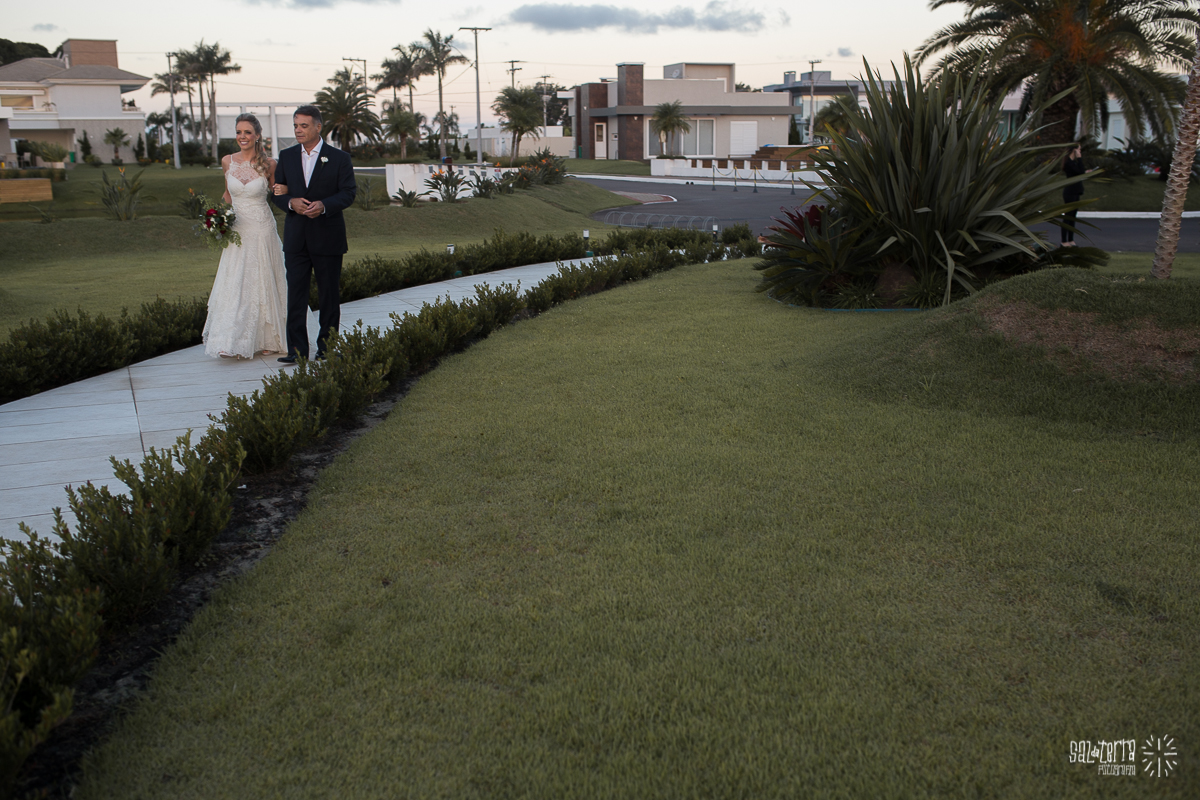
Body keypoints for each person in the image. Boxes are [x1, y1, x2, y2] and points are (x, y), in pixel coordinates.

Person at [270, 105, 357, 362]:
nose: (298, 130)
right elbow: (276, 193)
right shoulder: (285, 157)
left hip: (328, 238)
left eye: (304, 126)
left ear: (318, 127)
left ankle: (327, 349)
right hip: (296, 239)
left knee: (329, 296)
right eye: (296, 125)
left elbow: (348, 193)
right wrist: (290, 203)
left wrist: (324, 206)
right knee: (295, 295)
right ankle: (296, 351)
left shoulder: (340, 158)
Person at [202, 113, 288, 359]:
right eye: (239, 132)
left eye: (247, 132)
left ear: (257, 135)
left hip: (261, 228)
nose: (242, 137)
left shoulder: (269, 163)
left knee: (262, 278)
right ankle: (232, 339)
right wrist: (218, 217)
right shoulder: (227, 161)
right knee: (236, 280)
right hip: (237, 228)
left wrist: (287, 190)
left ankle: (269, 339)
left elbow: (278, 191)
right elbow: (228, 194)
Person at [1061, 143, 1087, 247]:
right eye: (1079, 150)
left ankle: (1070, 239)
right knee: (1068, 217)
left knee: (1073, 217)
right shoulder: (1069, 163)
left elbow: (1080, 172)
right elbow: (1080, 171)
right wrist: (1080, 158)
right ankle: (1064, 241)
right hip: (1070, 192)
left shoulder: (1073, 163)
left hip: (1076, 191)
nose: (1080, 153)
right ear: (1074, 150)